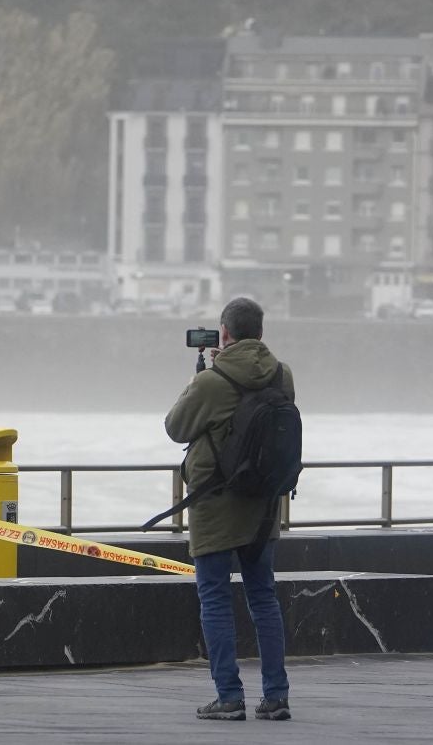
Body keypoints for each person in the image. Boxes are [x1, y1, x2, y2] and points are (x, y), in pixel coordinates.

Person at [164, 296, 293, 722]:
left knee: (216, 599)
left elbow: (176, 427)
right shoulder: (282, 374)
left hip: (215, 505)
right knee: (264, 598)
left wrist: (199, 379)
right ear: (261, 332)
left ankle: (230, 697)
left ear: (223, 333)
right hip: (263, 506)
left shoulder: (212, 381)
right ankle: (276, 697)